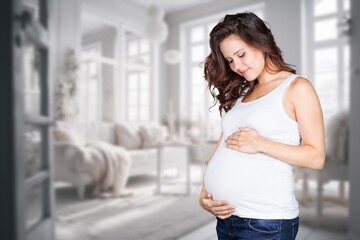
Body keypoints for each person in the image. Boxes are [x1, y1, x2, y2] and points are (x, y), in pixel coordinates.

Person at [199, 12, 325, 240]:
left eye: (241, 54)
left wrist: (260, 144)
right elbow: (223, 145)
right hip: (227, 220)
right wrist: (204, 193)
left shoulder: (297, 88)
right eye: (229, 60)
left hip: (265, 222)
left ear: (261, 41)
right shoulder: (242, 94)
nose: (236, 65)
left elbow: (316, 157)